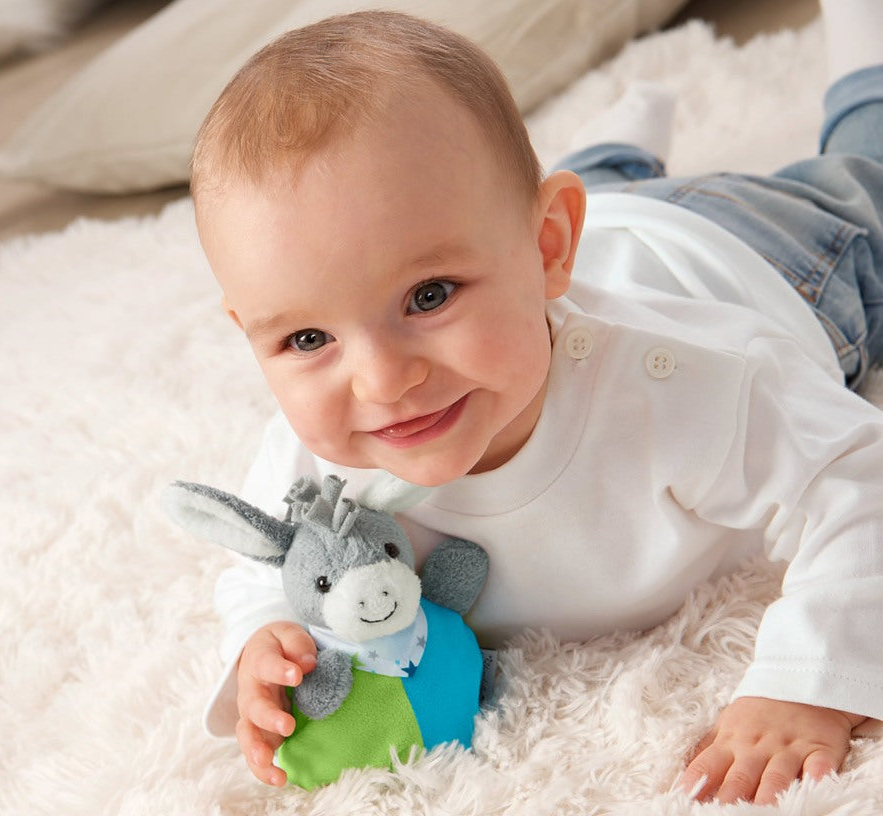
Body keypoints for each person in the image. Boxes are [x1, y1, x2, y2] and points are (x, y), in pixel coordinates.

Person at [187, 1, 883, 804]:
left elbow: (858, 478)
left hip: (748, 254)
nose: (380, 383)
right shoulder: (315, 463)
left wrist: (809, 681)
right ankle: (617, 149)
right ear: (251, 334)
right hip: (578, 234)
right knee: (513, 199)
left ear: (551, 249)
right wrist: (260, 644)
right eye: (307, 340)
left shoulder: (683, 385)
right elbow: (261, 567)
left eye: (430, 294)